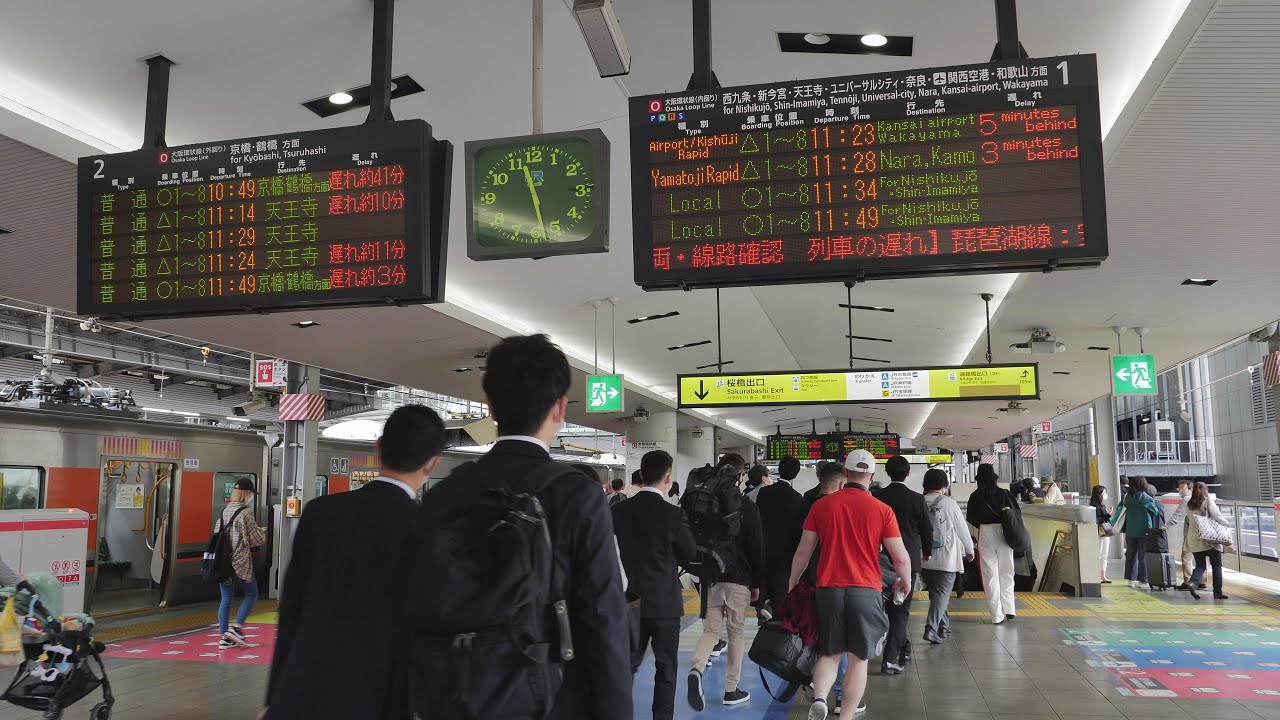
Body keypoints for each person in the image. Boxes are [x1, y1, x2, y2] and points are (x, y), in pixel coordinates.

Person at [408, 334, 631, 720]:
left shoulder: (449, 491)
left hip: (454, 696)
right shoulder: (578, 496)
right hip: (548, 697)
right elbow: (603, 619)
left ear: (490, 407)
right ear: (560, 407)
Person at [265, 405, 446, 719]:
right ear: (432, 464)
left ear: (378, 448)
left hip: (303, 691)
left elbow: (291, 612)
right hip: (380, 697)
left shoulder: (321, 513)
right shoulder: (427, 530)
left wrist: (275, 696)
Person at [788, 449, 910, 720]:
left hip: (828, 589)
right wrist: (906, 580)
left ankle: (820, 697)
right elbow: (900, 557)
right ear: (872, 475)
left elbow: (803, 552)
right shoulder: (882, 510)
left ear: (846, 474)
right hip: (866, 590)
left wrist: (793, 582)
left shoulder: (821, 506)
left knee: (829, 653)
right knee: (858, 659)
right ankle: (845, 715)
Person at [612, 450, 699, 720]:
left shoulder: (618, 510)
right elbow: (690, 555)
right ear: (668, 477)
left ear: (641, 473)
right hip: (664, 604)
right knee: (666, 668)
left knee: (625, 666)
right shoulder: (673, 515)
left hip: (627, 603)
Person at [687, 453, 764, 711]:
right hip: (739, 578)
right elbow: (755, 546)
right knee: (736, 632)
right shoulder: (746, 507)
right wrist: (757, 583)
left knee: (710, 631)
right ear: (740, 476)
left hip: (711, 575)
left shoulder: (707, 504)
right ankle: (731, 690)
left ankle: (697, 668)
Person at [874, 455, 933, 674]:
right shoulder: (916, 499)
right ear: (907, 473)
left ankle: (904, 647)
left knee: (885, 608)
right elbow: (926, 529)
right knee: (901, 610)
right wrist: (926, 552)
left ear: (886, 473)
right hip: (907, 561)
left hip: (879, 561)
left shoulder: (877, 497)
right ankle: (890, 659)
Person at [920, 469, 973, 644]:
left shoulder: (918, 501)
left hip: (924, 558)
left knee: (936, 594)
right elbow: (962, 529)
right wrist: (970, 549)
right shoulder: (949, 503)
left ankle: (944, 626)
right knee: (942, 594)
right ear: (944, 485)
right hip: (946, 558)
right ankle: (931, 628)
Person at [965, 464, 1018, 624]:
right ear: (994, 478)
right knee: (1007, 570)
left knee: (990, 574)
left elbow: (971, 518)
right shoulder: (1004, 494)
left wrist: (985, 525)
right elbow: (1016, 513)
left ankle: (996, 615)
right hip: (1004, 532)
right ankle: (1010, 610)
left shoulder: (975, 496)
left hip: (985, 533)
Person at [755, 455, 807, 612]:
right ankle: (778, 623)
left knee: (763, 588)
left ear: (778, 471)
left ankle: (762, 615)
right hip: (786, 554)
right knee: (781, 594)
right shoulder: (798, 498)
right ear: (796, 474)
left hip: (763, 549)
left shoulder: (764, 493)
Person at [218, 477, 265, 650]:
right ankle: (236, 628)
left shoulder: (225, 511)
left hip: (223, 562)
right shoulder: (246, 512)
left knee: (225, 600)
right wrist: (263, 532)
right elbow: (256, 539)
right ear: (247, 494)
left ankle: (225, 638)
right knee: (252, 594)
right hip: (240, 561)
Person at [1183, 482, 1231, 600]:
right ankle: (1217, 592)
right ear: (1205, 490)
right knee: (1216, 566)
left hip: (1195, 540)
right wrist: (1227, 524)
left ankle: (1193, 583)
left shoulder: (1189, 504)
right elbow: (1218, 516)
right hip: (1210, 539)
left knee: (1200, 565)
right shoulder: (1207, 501)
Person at [1120, 476, 1160, 588]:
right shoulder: (1146, 498)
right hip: (1144, 531)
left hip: (1130, 530)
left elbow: (1122, 507)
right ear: (1144, 485)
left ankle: (1130, 579)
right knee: (1142, 556)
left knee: (1131, 554)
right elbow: (1155, 512)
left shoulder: (1127, 497)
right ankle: (1143, 580)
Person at [1166, 480, 1199, 590]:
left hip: (1190, 534)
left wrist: (1166, 527)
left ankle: (1188, 581)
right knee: (1201, 558)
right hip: (1202, 534)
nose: (1180, 491)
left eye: (1183, 488)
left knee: (1186, 557)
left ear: (1190, 489)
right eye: (1179, 488)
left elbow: (1178, 515)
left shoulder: (1187, 499)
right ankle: (1202, 581)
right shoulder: (1201, 498)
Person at [1089, 485, 1114, 584]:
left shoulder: (1102, 505)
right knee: (1098, 554)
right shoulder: (1094, 505)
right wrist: (1108, 515)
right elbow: (1096, 519)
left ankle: (1103, 575)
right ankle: (1096, 575)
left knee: (1104, 554)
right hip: (1098, 532)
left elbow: (1103, 518)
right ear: (1099, 494)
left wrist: (1108, 514)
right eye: (1104, 493)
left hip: (1104, 533)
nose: (1105, 495)